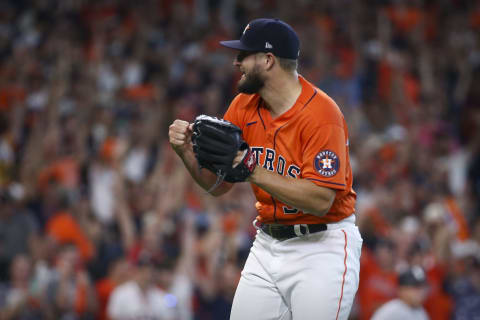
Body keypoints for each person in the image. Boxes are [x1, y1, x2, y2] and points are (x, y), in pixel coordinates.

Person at [169, 18, 362, 320]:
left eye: (244, 54)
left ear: (268, 60)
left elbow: (321, 200)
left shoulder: (322, 115)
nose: (236, 62)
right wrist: (186, 155)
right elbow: (219, 185)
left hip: (322, 247)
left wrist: (251, 168)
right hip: (268, 244)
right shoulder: (242, 106)